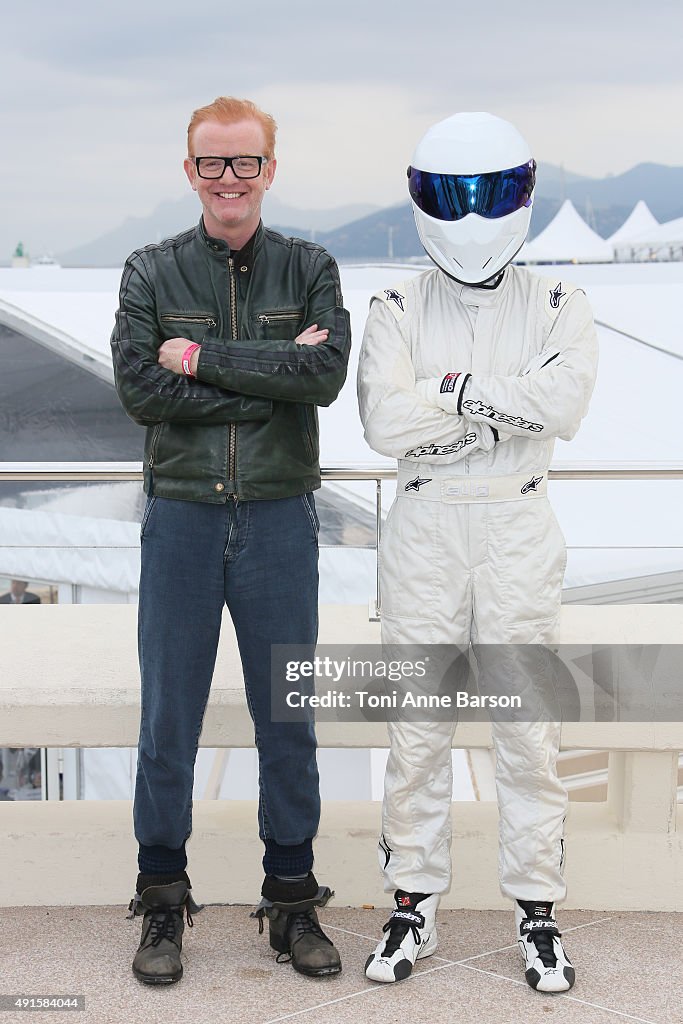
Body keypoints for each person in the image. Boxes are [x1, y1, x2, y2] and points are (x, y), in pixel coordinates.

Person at [111, 96, 350, 984]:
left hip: (281, 519)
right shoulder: (149, 269)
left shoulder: (310, 266)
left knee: (287, 719)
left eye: (244, 162)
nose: (228, 179)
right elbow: (140, 389)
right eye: (211, 163)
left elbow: (323, 375)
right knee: (166, 721)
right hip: (180, 516)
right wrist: (267, 383)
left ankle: (292, 902)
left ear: (269, 169)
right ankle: (161, 901)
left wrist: (199, 359)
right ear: (189, 171)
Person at [357, 112, 598, 992]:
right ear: (422, 197)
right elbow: (385, 422)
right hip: (424, 529)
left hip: (515, 529)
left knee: (524, 731)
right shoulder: (393, 304)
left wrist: (448, 395)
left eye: (487, 193)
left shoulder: (560, 301)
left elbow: (565, 404)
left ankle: (536, 912)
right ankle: (410, 904)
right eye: (452, 194)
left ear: (521, 193)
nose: (469, 213)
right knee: (415, 728)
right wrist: (502, 409)